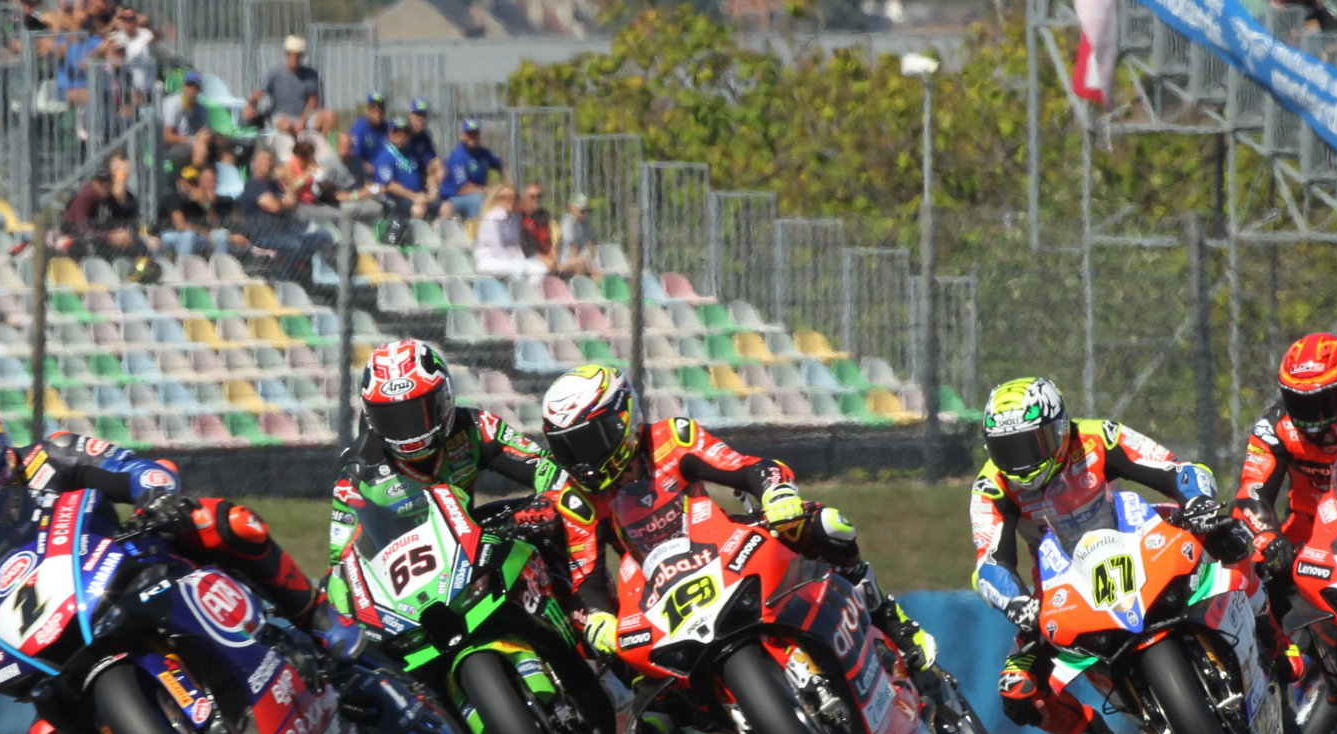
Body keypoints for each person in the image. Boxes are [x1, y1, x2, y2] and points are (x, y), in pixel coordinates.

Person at [0, 395, 347, 734]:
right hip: (52, 631)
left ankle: (317, 619)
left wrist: (156, 496)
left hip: (123, 567)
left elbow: (134, 469)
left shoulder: (53, 455)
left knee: (222, 522)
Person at [537, 363, 937, 668]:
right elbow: (586, 576)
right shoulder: (578, 499)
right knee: (622, 663)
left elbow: (746, 468)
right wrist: (599, 617)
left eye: (588, 441)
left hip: (719, 543)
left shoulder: (671, 438)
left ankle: (889, 619)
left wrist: (776, 493)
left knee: (828, 526)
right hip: (654, 589)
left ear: (622, 419)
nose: (582, 460)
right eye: (568, 449)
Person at [969, 376, 1247, 734]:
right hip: (1063, 583)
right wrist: (1016, 602)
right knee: (1018, 689)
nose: (1021, 461)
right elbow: (990, 562)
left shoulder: (1097, 437)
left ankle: (1274, 642)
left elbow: (1175, 470)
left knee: (1235, 536)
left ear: (1059, 427)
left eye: (1031, 444)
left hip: (1138, 540)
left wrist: (1197, 503)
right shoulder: (992, 486)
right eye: (1008, 449)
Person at [327, 338, 566, 572]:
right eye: (390, 419)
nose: (408, 433)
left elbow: (548, 469)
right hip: (404, 580)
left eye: (417, 414)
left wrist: (544, 503)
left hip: (470, 554)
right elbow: (342, 562)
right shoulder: (356, 472)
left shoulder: (476, 428)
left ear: (446, 399)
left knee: (554, 521)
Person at [1235, 333, 1337, 638]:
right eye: (1302, 404)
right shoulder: (1274, 427)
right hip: (1308, 538)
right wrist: (1270, 541)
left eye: (1326, 401)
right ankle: (1275, 656)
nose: (1316, 419)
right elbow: (1251, 495)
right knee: (1250, 580)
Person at [238, 146, 334, 278]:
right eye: (264, 160)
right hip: (263, 234)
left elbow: (292, 202)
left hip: (285, 229)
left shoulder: (273, 184)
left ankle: (308, 274)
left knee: (322, 236)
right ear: (255, 163)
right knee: (294, 245)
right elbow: (274, 207)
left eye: (270, 160)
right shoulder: (254, 185)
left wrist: (285, 181)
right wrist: (283, 202)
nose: (268, 163)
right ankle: (286, 278)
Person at [61, 154, 153, 258]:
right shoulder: (86, 197)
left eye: (109, 181)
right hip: (76, 239)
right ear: (95, 181)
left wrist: (123, 234)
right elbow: (82, 230)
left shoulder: (109, 196)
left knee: (140, 245)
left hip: (101, 236)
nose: (105, 184)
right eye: (101, 181)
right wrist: (110, 236)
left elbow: (123, 217)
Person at [243, 34, 322, 135]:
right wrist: (250, 105)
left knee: (329, 117)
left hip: (303, 116)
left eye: (298, 55)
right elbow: (259, 93)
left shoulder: (310, 75)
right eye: (290, 54)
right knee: (286, 125)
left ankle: (320, 143)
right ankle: (297, 143)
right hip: (280, 115)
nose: (294, 58)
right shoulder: (274, 74)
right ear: (286, 54)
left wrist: (303, 120)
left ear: (302, 55)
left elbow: (312, 100)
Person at [473, 184, 546, 284]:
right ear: (497, 199)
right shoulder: (492, 219)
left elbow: (516, 245)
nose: (510, 200)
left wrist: (521, 260)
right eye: (504, 197)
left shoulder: (515, 218)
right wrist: (515, 263)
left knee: (540, 269)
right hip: (488, 260)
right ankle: (517, 291)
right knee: (518, 270)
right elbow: (496, 248)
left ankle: (529, 291)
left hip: (510, 261)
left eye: (513, 197)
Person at [439, 119, 503, 219]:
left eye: (475, 134)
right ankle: (475, 227)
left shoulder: (484, 153)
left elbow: (503, 166)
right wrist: (488, 190)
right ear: (463, 136)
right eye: (469, 134)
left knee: (503, 199)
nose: (473, 137)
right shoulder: (458, 156)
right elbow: (464, 189)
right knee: (477, 199)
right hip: (454, 198)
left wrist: (505, 187)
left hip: (479, 193)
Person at [373, 116, 433, 222]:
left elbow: (429, 172)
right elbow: (390, 186)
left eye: (405, 131)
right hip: (393, 201)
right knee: (418, 210)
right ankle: (411, 232)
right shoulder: (385, 157)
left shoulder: (411, 154)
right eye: (396, 131)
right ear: (389, 134)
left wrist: (432, 191)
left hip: (417, 197)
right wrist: (415, 197)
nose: (401, 135)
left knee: (446, 207)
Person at [160, 70, 211, 169]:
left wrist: (202, 139)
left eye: (196, 87)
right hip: (171, 146)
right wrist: (192, 141)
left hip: (193, 143)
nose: (192, 89)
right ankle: (195, 173)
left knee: (214, 146)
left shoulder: (201, 108)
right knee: (196, 149)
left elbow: (203, 132)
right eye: (189, 85)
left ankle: (196, 173)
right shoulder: (172, 104)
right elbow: (167, 136)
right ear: (183, 87)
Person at [516, 182, 556, 271]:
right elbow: (524, 245)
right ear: (524, 197)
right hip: (526, 256)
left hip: (544, 256)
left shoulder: (543, 215)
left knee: (577, 265)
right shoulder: (518, 216)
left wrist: (553, 257)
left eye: (539, 196)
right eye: (532, 196)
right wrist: (544, 259)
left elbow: (548, 240)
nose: (536, 199)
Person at [348, 91, 389, 174]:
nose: (377, 109)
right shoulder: (359, 128)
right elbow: (354, 157)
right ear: (367, 109)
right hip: (366, 175)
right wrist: (367, 166)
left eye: (380, 106)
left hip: (386, 172)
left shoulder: (388, 129)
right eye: (373, 106)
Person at [406, 98, 438, 180]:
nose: (421, 119)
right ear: (410, 116)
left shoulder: (425, 136)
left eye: (424, 115)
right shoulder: (401, 134)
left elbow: (432, 159)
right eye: (418, 114)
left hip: (420, 176)